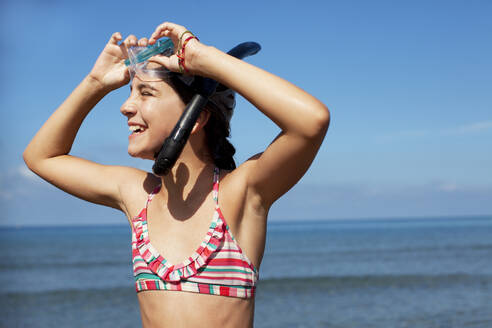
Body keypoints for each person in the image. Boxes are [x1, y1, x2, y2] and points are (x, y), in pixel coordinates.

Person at [23, 22, 330, 328]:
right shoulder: (137, 194)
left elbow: (311, 121)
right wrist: (95, 83)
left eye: (146, 93)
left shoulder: (240, 193)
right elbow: (41, 157)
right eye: (131, 92)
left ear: (195, 118)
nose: (126, 107)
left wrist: (204, 58)